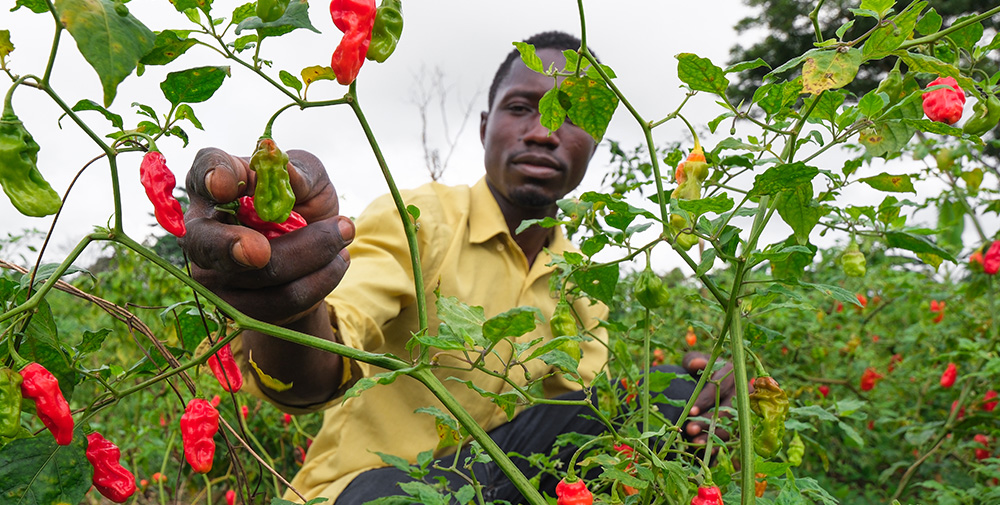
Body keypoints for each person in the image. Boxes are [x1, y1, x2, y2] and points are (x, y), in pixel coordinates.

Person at [180, 31, 734, 504]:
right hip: (371, 487)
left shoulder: (583, 283)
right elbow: (314, 372)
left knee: (664, 395)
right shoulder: (419, 220)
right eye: (522, 109)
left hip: (497, 484)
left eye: (567, 115)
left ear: (595, 140)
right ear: (485, 126)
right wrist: (295, 298)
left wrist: (706, 400)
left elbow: (584, 428)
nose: (542, 131)